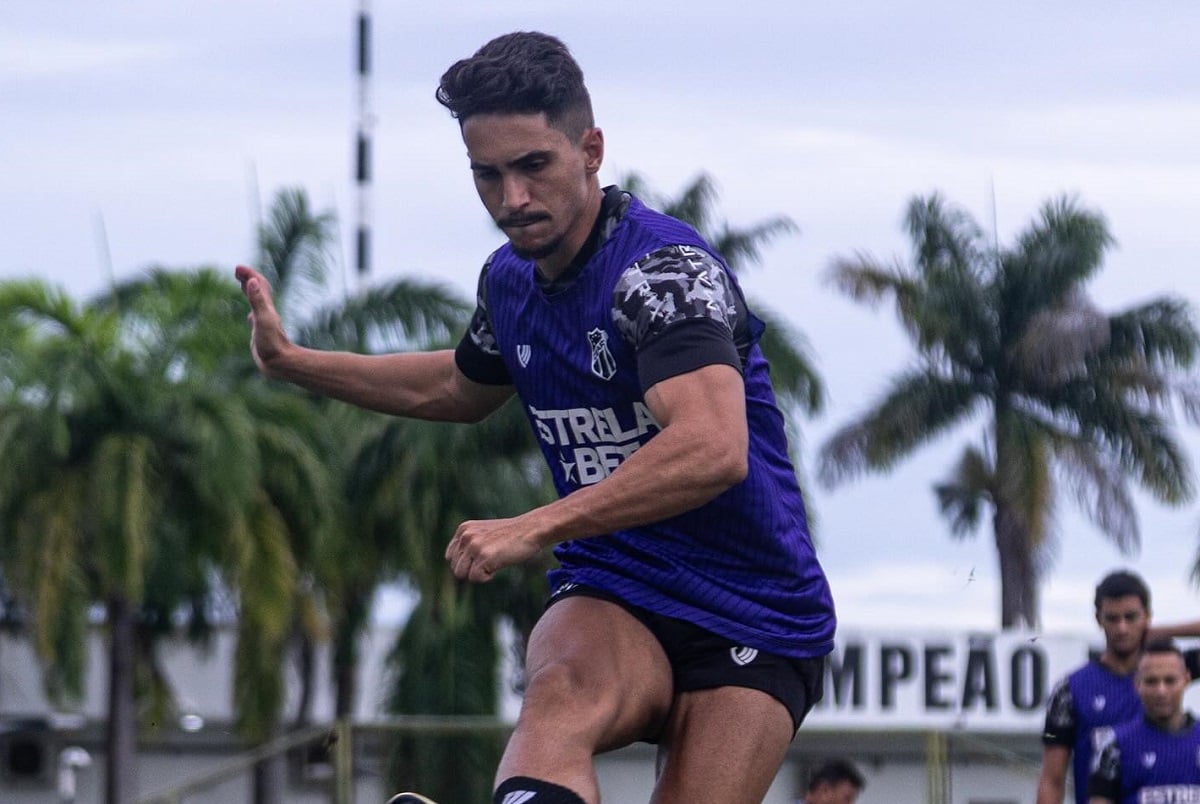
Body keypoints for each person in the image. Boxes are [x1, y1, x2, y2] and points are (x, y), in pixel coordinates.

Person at [237, 30, 835, 804]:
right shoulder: (509, 281)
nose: (511, 199)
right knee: (555, 699)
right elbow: (458, 388)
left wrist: (534, 526)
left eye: (533, 167)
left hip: (755, 611)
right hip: (615, 583)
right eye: (487, 175)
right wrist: (294, 362)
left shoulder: (661, 274)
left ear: (590, 149)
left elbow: (714, 448)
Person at [1036, 570, 1200, 804]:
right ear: (1098, 619)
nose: (1122, 628)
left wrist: (1166, 632)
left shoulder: (1166, 670)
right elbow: (1052, 779)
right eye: (1113, 618)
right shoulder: (1070, 690)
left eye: (1131, 617)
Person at [1086, 639, 1200, 802]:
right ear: (1137, 684)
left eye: (1170, 681)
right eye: (1151, 682)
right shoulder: (1114, 746)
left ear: (1186, 680)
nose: (1161, 691)